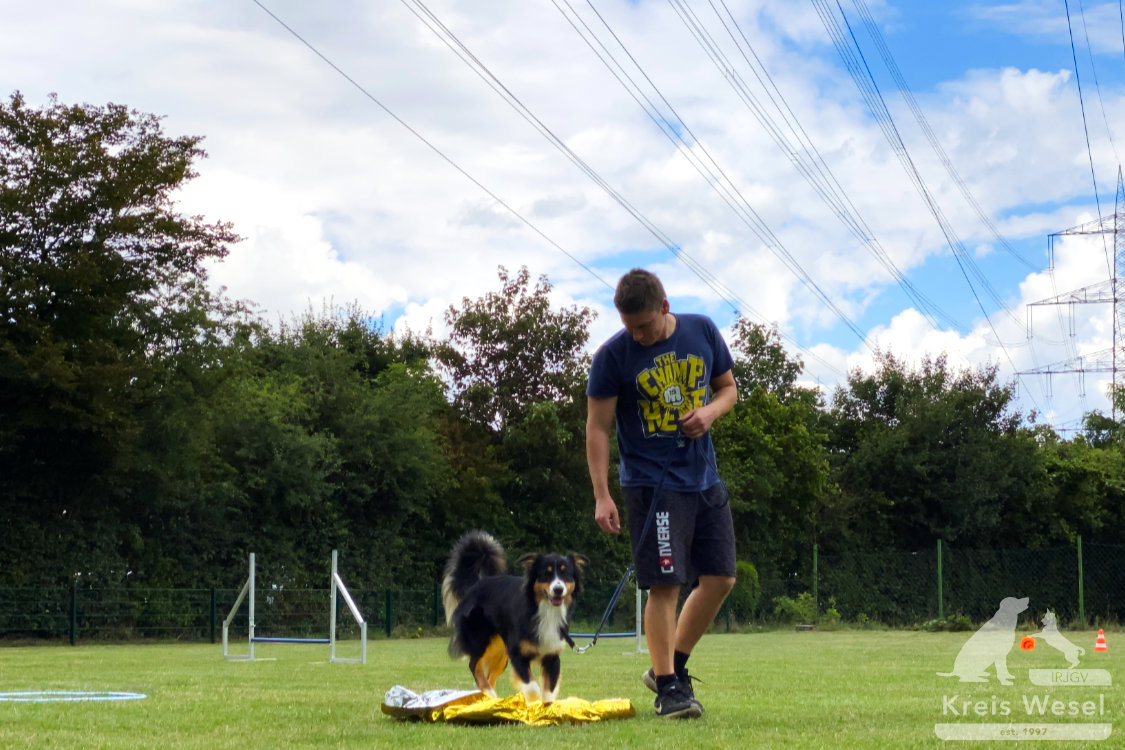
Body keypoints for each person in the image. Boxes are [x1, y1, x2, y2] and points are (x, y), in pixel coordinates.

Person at [586, 268, 738, 719]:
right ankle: (669, 689)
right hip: (651, 484)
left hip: (705, 479)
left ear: (665, 307)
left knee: (720, 578)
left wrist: (709, 413)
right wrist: (602, 494)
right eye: (629, 326)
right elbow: (597, 428)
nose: (638, 334)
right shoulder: (612, 357)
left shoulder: (702, 330)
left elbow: (728, 389)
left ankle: (672, 665)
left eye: (645, 326)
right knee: (665, 584)